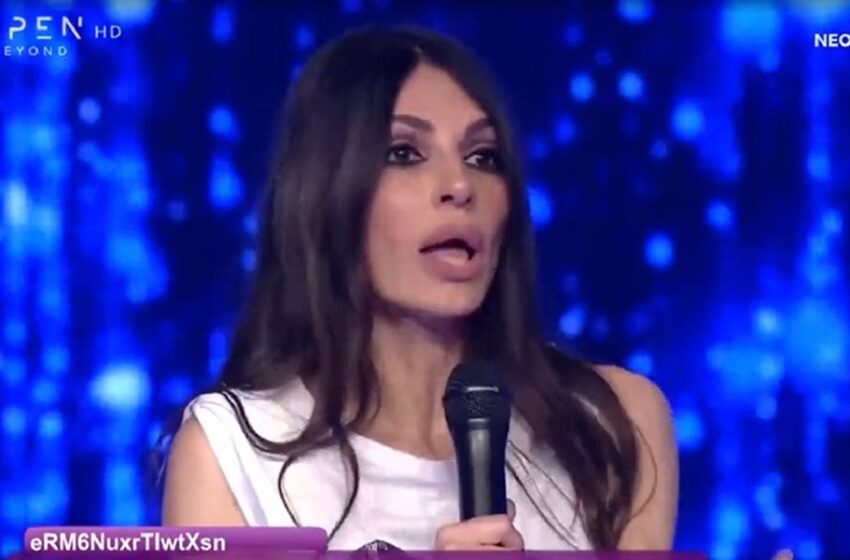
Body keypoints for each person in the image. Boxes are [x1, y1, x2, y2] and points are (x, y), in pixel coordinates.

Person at [161, 25, 678, 551]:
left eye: (482, 157)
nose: (460, 186)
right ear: (325, 193)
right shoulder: (232, 453)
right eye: (404, 153)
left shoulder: (610, 426)